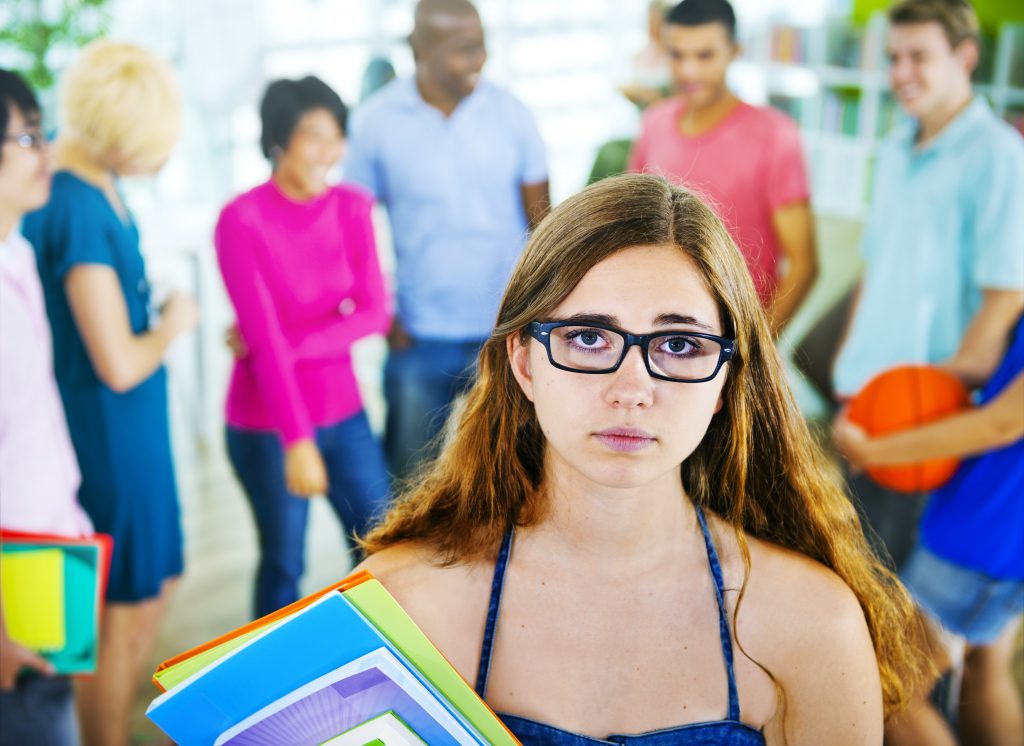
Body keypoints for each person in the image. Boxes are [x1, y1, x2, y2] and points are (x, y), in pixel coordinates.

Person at [356, 173, 931, 744]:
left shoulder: (812, 625)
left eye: (679, 345)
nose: (631, 389)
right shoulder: (396, 606)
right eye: (588, 338)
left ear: (726, 384)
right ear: (525, 363)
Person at [21, 41, 198, 746]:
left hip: (126, 430)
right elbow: (119, 363)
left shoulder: (88, 187)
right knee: (118, 609)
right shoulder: (79, 206)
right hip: (109, 435)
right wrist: (174, 324)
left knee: (147, 590)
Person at [830, 0, 1024, 573]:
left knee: (908, 612)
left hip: (921, 414)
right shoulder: (892, 149)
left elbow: (1006, 295)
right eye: (893, 57)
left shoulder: (1000, 157)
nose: (900, 73)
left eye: (919, 56)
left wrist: (937, 402)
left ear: (965, 56)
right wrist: (851, 367)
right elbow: (877, 265)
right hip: (865, 397)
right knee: (860, 572)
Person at [344, 0, 550, 479]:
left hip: (505, 330)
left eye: (482, 45)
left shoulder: (512, 115)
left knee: (514, 475)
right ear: (421, 49)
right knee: (410, 480)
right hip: (418, 332)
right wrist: (386, 314)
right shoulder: (375, 121)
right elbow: (352, 229)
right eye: (464, 49)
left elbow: (543, 224)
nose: (480, 58)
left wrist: (542, 316)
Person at [215, 75, 392, 619]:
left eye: (337, 135)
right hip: (268, 426)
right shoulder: (241, 220)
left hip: (344, 411)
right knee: (284, 563)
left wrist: (289, 342)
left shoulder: (353, 207)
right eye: (314, 136)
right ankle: (268, 691)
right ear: (278, 141)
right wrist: (297, 441)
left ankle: (378, 658)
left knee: (384, 547)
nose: (329, 151)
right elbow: (263, 349)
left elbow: (375, 312)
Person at [833, 315, 1024, 746]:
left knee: (892, 693)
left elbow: (1002, 423)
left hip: (983, 537)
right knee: (985, 673)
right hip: (1000, 539)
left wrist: (872, 449)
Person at [628, 0, 817, 335]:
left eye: (705, 56)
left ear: (734, 51)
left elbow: (804, 265)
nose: (689, 71)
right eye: (677, 55)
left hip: (734, 333)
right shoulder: (653, 123)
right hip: (656, 332)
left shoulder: (774, 135)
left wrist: (753, 352)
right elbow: (633, 227)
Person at [0, 68, 93, 746]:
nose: (48, 155)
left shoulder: (20, 251)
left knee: (54, 704)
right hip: (12, 575)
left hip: (49, 541)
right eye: (29, 137)